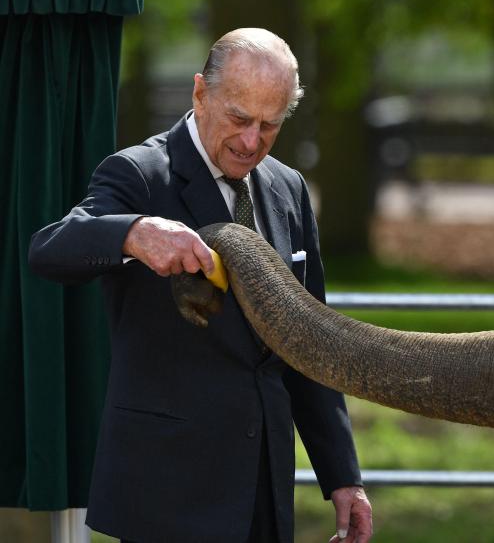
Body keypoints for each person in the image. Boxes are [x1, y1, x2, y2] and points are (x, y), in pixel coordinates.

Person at [29, 28, 373, 543]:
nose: (252, 141)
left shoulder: (289, 188)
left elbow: (309, 342)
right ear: (199, 93)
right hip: (167, 493)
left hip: (264, 488)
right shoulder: (139, 173)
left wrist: (343, 477)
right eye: (239, 118)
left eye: (270, 125)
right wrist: (133, 233)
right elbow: (50, 249)